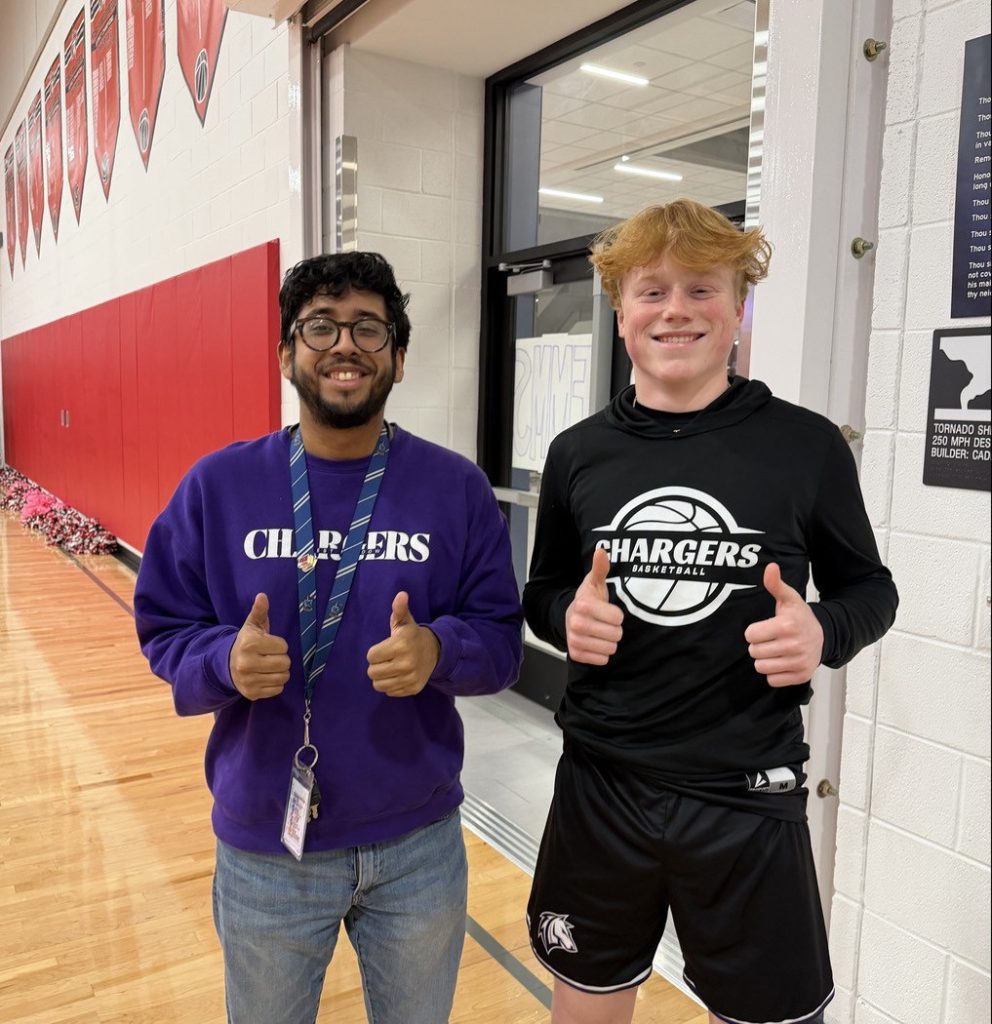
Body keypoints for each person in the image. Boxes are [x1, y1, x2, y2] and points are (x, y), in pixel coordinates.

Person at [522, 199, 898, 1024]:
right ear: (621, 312)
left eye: (703, 288)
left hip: (744, 793)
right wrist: (563, 621)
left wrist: (822, 632)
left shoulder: (805, 446)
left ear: (738, 308)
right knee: (584, 1006)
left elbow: (873, 591)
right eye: (652, 291)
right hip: (601, 785)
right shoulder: (578, 453)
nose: (677, 310)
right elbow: (545, 590)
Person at [134, 251, 523, 1024]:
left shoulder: (456, 488)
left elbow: (502, 643)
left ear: (399, 359)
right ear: (287, 353)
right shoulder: (218, 486)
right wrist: (222, 662)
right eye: (320, 326)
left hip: (418, 843)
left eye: (369, 329)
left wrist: (439, 652)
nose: (344, 345)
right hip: (266, 849)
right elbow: (164, 629)